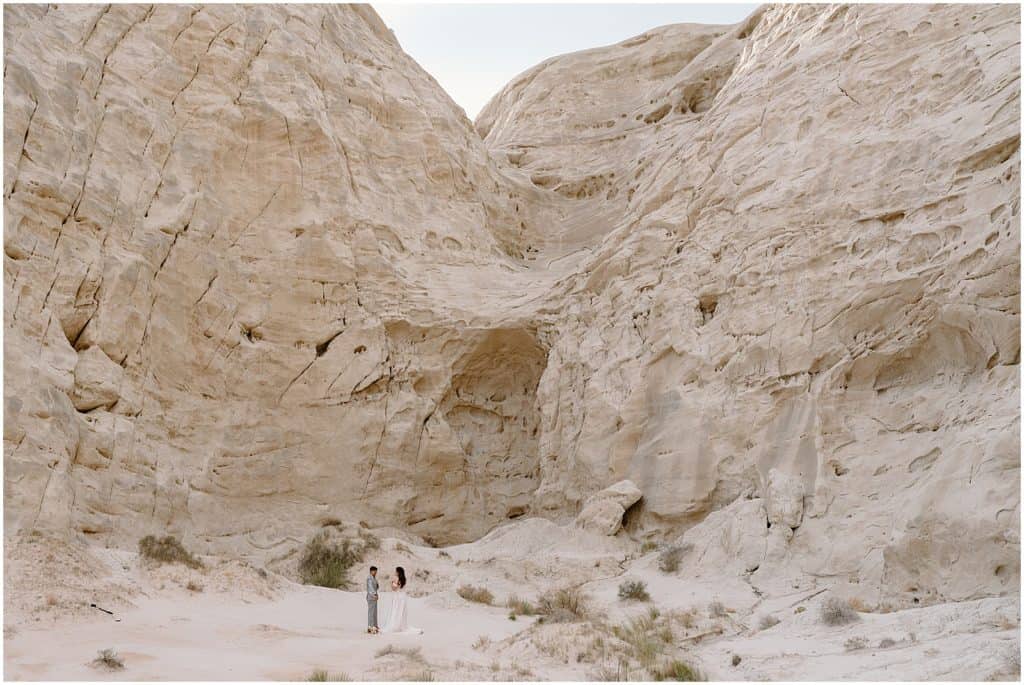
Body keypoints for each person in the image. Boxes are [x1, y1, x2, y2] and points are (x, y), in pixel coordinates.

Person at [379, 567, 423, 634]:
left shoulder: (396, 578)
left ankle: (395, 625)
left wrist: (392, 583)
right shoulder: (404, 579)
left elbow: (394, 588)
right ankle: (400, 624)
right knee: (401, 611)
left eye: (396, 571)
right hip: (403, 596)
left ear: (398, 572)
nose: (395, 572)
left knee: (396, 610)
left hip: (397, 597)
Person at [366, 565, 379, 634]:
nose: (376, 572)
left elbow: (376, 586)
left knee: (374, 612)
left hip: (374, 597)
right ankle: (370, 626)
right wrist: (374, 594)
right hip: (371, 597)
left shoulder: (374, 578)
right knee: (371, 612)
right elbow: (370, 588)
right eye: (374, 571)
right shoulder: (369, 578)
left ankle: (374, 626)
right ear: (371, 571)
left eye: (376, 571)